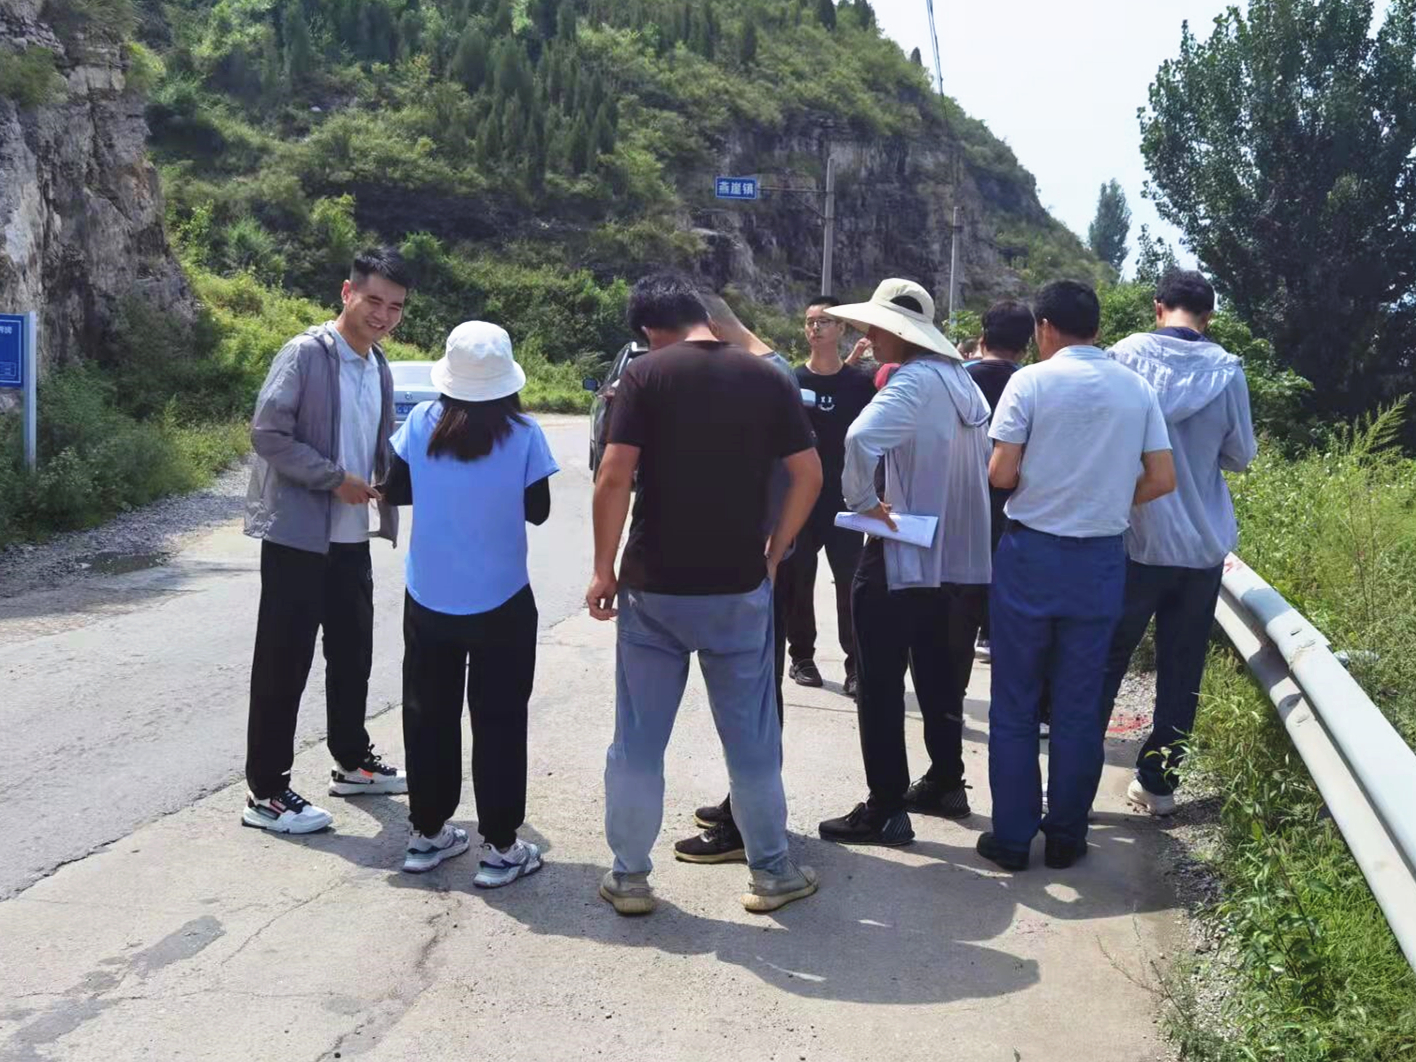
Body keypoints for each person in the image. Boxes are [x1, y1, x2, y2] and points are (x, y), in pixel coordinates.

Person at [586, 272, 823, 916]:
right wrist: (774, 551)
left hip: (653, 589)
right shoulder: (768, 377)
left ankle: (630, 878)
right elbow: (808, 474)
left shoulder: (644, 375)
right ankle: (771, 872)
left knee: (638, 741)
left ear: (649, 330)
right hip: (738, 586)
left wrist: (603, 568)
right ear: (705, 317)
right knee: (750, 741)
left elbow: (613, 476)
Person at [979, 280, 1176, 872]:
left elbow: (1001, 474)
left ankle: (1013, 838)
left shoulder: (1030, 383)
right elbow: (1162, 478)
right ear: (1096, 327)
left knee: (1015, 700)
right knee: (1080, 702)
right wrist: (1107, 496)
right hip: (1099, 560)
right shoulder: (1136, 388)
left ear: (1044, 327)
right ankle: (1066, 834)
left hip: (1031, 556)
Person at [379, 321, 558, 884]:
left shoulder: (421, 423)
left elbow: (396, 489)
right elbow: (539, 510)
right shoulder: (523, 432)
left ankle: (427, 835)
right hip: (502, 600)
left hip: (429, 597)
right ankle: (501, 847)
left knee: (427, 713)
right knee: (500, 718)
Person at [816, 279, 993, 845]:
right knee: (939, 676)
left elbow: (860, 438)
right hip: (956, 560)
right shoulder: (963, 382)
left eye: (876, 326)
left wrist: (864, 503)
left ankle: (886, 808)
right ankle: (946, 781)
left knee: (880, 683)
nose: (869, 336)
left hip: (901, 553)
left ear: (900, 331)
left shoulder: (913, 381)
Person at [241, 247, 411, 835]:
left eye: (395, 307)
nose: (383, 315)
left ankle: (352, 762)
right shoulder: (306, 354)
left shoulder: (378, 364)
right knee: (283, 663)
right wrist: (333, 478)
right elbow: (268, 433)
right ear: (347, 293)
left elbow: (379, 444)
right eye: (373, 300)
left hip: (350, 539)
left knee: (352, 654)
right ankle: (266, 792)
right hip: (298, 537)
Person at [1098, 269, 1257, 816]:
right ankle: (1158, 785)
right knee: (1182, 669)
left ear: (1157, 307)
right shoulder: (1228, 371)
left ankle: (1076, 779)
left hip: (1133, 537)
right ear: (1208, 317)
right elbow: (1240, 455)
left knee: (1104, 660)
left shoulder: (1122, 357)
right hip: (1200, 547)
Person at [672, 291, 804, 865]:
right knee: (754, 696)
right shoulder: (768, 370)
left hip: (759, 564)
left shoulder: (765, 376)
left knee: (755, 700)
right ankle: (743, 806)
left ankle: (750, 825)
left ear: (709, 327)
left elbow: (798, 475)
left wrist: (774, 550)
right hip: (759, 560)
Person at [782, 295, 874, 696]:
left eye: (823, 321)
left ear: (841, 329)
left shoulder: (860, 384)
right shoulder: (791, 381)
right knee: (798, 580)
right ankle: (801, 657)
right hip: (800, 500)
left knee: (851, 584)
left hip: (845, 500)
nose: (814, 328)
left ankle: (856, 667)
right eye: (809, 321)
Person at [963, 301, 1033, 665]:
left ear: (983, 336)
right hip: (1013, 489)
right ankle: (990, 632)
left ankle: (961, 629)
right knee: (1001, 562)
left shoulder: (959, 376)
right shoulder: (1031, 382)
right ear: (1027, 343)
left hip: (960, 488)